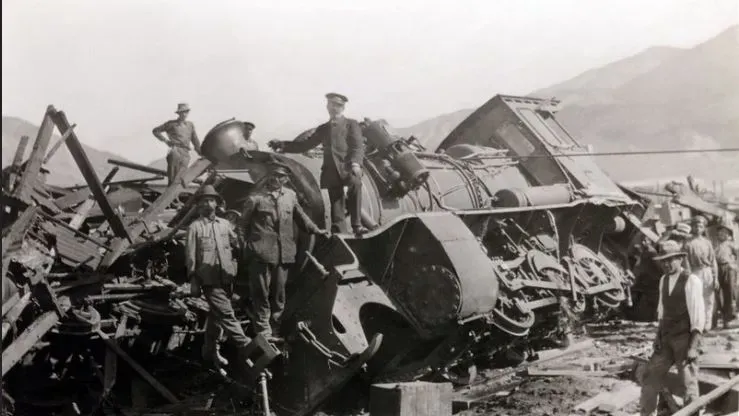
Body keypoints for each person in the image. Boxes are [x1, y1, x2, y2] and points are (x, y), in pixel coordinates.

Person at [240, 164, 329, 341]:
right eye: (273, 174)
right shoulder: (256, 198)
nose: (275, 178)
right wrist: (246, 247)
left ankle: (275, 330)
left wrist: (316, 230)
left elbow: (300, 216)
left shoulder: (290, 195)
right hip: (261, 253)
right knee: (261, 293)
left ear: (286, 179)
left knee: (279, 294)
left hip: (284, 252)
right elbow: (242, 226)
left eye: (280, 176)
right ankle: (263, 331)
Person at [268, 93, 370, 235]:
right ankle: (340, 231)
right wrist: (282, 145)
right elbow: (305, 145)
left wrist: (355, 163)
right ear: (327, 106)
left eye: (337, 105)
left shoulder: (351, 124)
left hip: (348, 166)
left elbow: (357, 146)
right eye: (330, 105)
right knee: (336, 202)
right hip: (331, 169)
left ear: (343, 107)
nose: (333, 108)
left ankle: (357, 225)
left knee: (356, 185)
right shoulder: (323, 128)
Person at [186, 185, 251, 375]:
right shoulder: (194, 227)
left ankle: (209, 352)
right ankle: (247, 346)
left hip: (227, 276)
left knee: (216, 318)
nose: (208, 203)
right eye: (204, 200)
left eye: (211, 200)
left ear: (217, 203)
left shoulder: (224, 225)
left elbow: (236, 244)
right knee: (226, 314)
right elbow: (190, 256)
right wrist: (193, 279)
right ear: (199, 205)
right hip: (208, 279)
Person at [639, 239, 705, 416]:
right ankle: (647, 413)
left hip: (685, 338)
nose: (666, 264)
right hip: (666, 337)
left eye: (670, 260)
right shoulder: (663, 280)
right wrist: (657, 338)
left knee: (688, 383)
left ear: (680, 259)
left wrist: (693, 347)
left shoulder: (691, 280)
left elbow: (698, 318)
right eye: (663, 261)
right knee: (650, 375)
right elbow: (662, 312)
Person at [153, 103, 202, 185]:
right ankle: (169, 196)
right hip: (175, 150)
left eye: (186, 112)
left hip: (186, 152)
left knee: (181, 178)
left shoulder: (190, 125)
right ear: (178, 113)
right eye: (182, 112)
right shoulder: (171, 124)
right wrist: (165, 141)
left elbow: (195, 140)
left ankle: (176, 196)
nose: (184, 114)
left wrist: (200, 153)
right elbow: (155, 131)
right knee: (173, 178)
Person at [684, 215, 719, 330]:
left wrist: (716, 278)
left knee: (708, 299)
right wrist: (689, 276)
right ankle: (697, 324)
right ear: (692, 227)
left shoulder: (707, 242)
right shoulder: (688, 243)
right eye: (696, 226)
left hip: (707, 271)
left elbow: (713, 260)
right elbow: (686, 260)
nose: (698, 228)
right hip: (695, 272)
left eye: (700, 226)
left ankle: (707, 324)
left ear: (704, 228)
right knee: (696, 299)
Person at [715, 222, 737, 328]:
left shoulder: (731, 245)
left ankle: (728, 319)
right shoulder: (713, 244)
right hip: (716, 269)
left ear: (729, 235)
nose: (722, 234)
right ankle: (721, 316)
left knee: (729, 293)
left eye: (725, 232)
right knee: (717, 294)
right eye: (720, 232)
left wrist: (734, 265)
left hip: (728, 269)